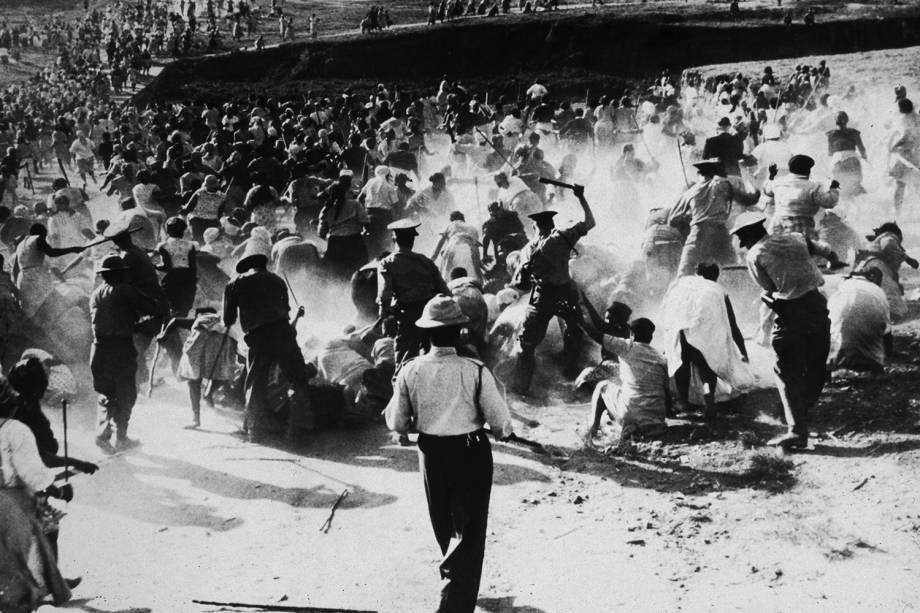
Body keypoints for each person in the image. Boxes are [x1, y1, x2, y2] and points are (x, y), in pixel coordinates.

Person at [384, 295, 513, 613]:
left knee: (443, 520)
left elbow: (396, 422)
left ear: (427, 333)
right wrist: (502, 431)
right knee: (471, 527)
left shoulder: (410, 371)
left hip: (432, 452)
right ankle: (455, 600)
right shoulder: (476, 371)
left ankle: (456, 586)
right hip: (471, 451)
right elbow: (499, 422)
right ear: (459, 332)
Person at [731, 212, 840, 449]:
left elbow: (768, 288)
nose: (742, 242)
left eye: (742, 237)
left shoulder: (755, 255)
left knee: (785, 370)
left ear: (749, 234)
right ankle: (802, 408)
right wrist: (832, 260)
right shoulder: (796, 238)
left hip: (790, 311)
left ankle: (797, 430)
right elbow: (825, 249)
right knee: (816, 362)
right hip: (816, 305)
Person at [222, 240, 317, 442]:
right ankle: (298, 427)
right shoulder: (278, 280)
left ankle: (255, 429)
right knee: (297, 377)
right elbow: (285, 310)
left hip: (258, 337)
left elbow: (228, 319)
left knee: (256, 382)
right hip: (283, 333)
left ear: (248, 267)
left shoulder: (235, 283)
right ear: (265, 265)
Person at [0, 375, 76, 610]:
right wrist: (59, 491)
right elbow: (32, 474)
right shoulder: (14, 430)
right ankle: (44, 588)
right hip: (10, 504)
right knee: (43, 534)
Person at [511, 184, 595, 394]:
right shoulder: (563, 238)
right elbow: (590, 222)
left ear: (535, 227)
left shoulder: (528, 248)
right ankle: (571, 373)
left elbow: (519, 282)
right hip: (564, 292)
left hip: (541, 296)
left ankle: (521, 387)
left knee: (527, 343)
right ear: (552, 224)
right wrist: (581, 197)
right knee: (574, 330)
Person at [664, 263, 751, 418]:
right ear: (716, 276)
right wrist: (743, 352)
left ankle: (684, 403)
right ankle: (709, 404)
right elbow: (732, 325)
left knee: (682, 365)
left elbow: (667, 309)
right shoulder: (717, 289)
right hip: (703, 331)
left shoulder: (682, 284)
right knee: (706, 368)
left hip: (681, 330)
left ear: (697, 273)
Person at [90, 255, 158, 452]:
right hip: (120, 348)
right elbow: (151, 307)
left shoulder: (96, 293)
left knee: (107, 394)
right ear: (120, 273)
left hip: (99, 349)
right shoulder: (124, 290)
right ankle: (121, 438)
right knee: (126, 393)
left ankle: (102, 436)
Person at [580, 316, 669, 440]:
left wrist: (580, 321)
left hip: (630, 416)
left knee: (602, 386)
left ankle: (592, 430)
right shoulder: (661, 358)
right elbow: (666, 392)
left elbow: (597, 335)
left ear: (632, 334)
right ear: (651, 337)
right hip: (655, 422)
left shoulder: (627, 346)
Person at [668, 159, 759, 277]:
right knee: (732, 272)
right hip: (720, 235)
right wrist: (751, 182)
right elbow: (751, 199)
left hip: (697, 236)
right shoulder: (723, 184)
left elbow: (672, 220)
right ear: (714, 172)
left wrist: (690, 220)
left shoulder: (690, 192)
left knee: (684, 275)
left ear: (699, 174)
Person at [377, 219, 450, 365]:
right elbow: (445, 291)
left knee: (404, 361)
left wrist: (384, 312)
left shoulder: (387, 263)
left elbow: (385, 294)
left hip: (408, 318)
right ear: (412, 241)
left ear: (394, 240)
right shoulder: (426, 261)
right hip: (432, 316)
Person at [161, 306, 239, 428]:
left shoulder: (199, 322)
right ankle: (207, 396)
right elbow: (234, 345)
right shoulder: (223, 327)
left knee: (194, 381)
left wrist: (163, 336)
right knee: (221, 376)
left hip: (206, 349)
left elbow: (175, 321)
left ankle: (196, 417)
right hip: (220, 346)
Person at [11, 224, 85, 321]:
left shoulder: (20, 245)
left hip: (22, 278)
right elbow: (51, 252)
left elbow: (14, 269)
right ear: (41, 233)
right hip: (36, 277)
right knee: (51, 304)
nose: (45, 239)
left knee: (30, 311)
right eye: (44, 236)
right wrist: (73, 249)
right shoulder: (37, 238)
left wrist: (16, 286)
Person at [763, 154, 839, 240]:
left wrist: (771, 175)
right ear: (808, 170)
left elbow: (767, 190)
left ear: (790, 169)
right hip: (802, 228)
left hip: (778, 226)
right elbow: (829, 203)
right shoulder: (814, 187)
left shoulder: (778, 183)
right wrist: (833, 189)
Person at [827, 268, 890, 372]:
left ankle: (830, 367)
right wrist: (886, 355)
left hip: (839, 308)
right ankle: (875, 369)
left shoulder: (842, 284)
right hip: (870, 312)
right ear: (873, 278)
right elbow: (887, 331)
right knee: (874, 350)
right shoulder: (878, 291)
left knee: (835, 334)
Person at [318, 169, 370, 279]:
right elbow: (365, 221)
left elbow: (322, 231)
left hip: (335, 242)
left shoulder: (326, 208)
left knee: (332, 272)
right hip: (354, 240)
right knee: (363, 267)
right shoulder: (355, 204)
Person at [826, 111, 867, 199]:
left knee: (841, 187)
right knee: (856, 184)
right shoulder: (854, 133)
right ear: (847, 120)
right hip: (852, 159)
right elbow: (861, 148)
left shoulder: (831, 134)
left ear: (836, 121)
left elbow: (830, 152)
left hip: (837, 160)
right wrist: (864, 156)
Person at [182, 174, 226, 243]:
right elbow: (220, 213)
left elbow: (188, 208)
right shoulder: (222, 197)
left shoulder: (199, 192)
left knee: (197, 242)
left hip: (196, 222)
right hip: (212, 222)